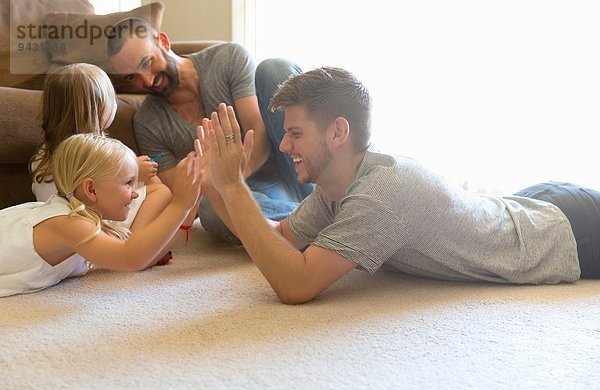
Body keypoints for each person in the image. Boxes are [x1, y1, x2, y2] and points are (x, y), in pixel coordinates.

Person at [196, 67, 600, 305]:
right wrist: (216, 185)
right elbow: (282, 238)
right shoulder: (337, 187)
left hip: (569, 232)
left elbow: (296, 284)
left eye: (296, 133)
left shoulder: (380, 194)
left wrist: (234, 186)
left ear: (338, 132)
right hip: (528, 205)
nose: (284, 146)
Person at [106, 17, 313, 243]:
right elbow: (183, 189)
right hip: (258, 196)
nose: (147, 80)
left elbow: (259, 133)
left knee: (274, 68)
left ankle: (311, 210)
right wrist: (228, 187)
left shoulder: (228, 58)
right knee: (211, 211)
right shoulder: (147, 121)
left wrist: (231, 177)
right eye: (132, 77)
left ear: (163, 42)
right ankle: (312, 224)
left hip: (288, 163)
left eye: (146, 62)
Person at [1, 133, 202, 297]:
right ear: (92, 190)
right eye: (128, 183)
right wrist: (180, 205)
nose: (134, 193)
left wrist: (191, 207)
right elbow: (131, 258)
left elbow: (143, 255)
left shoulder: (85, 218)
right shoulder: (70, 224)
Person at [29, 62, 179, 265]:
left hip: (64, 223)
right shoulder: (97, 152)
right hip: (94, 219)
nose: (115, 104)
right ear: (99, 110)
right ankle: (133, 243)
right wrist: (135, 175)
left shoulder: (42, 155)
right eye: (112, 99)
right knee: (161, 190)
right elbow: (101, 192)